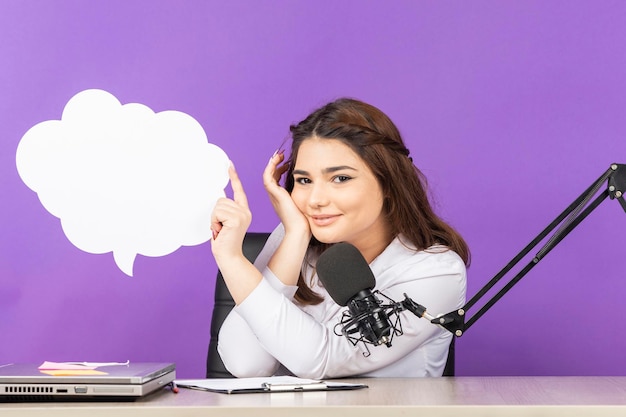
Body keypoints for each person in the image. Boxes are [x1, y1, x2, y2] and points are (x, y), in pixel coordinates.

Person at [210, 98, 470, 379]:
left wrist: (233, 261)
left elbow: (321, 360)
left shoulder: (436, 271)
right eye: (304, 181)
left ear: (389, 183)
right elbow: (245, 363)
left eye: (341, 178)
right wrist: (294, 237)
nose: (316, 200)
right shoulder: (294, 238)